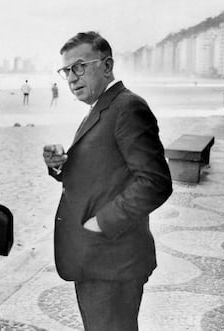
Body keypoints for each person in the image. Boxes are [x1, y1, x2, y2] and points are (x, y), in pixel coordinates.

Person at [42, 31, 172, 331]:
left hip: (113, 261)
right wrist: (59, 167)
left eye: (79, 66)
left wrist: (101, 223)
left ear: (107, 65)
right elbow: (105, 172)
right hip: (98, 260)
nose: (72, 78)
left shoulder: (127, 107)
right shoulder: (103, 107)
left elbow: (155, 182)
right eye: (66, 71)